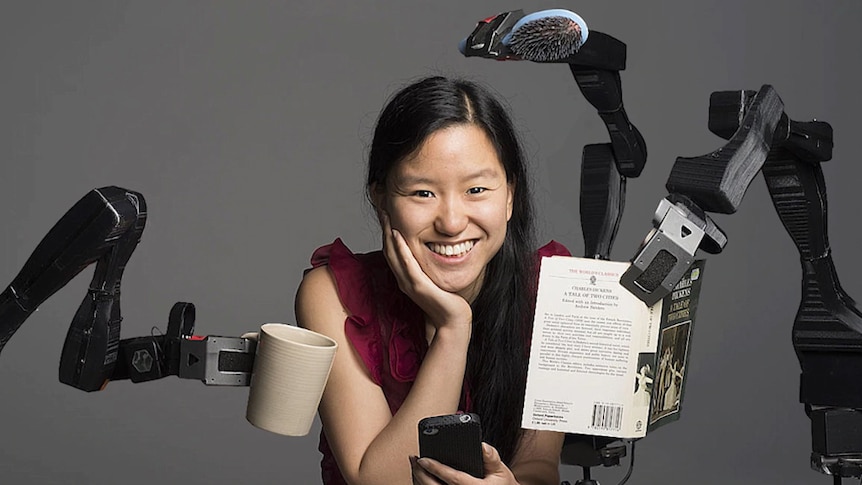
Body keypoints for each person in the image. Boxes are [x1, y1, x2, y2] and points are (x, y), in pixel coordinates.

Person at [295, 75, 570, 485]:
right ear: (381, 198)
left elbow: (539, 466)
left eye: (477, 189)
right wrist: (452, 328)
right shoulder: (333, 294)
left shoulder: (550, 290)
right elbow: (379, 481)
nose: (453, 222)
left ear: (510, 195)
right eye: (423, 193)